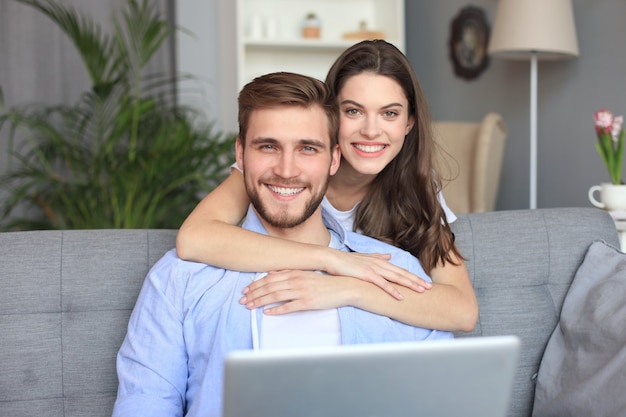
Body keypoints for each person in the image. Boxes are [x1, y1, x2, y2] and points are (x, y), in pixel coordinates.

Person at [112, 72, 452, 417]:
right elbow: (144, 404)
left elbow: (445, 400)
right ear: (240, 154)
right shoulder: (180, 279)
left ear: (334, 159)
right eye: (268, 146)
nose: (286, 170)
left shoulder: (395, 271)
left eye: (307, 148)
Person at [176, 40, 477, 332]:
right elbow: (195, 239)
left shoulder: (415, 185)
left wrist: (350, 288)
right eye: (353, 111)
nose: (371, 131)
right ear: (331, 118)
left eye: (389, 113)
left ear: (409, 123)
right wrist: (333, 259)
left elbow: (462, 310)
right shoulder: (289, 171)